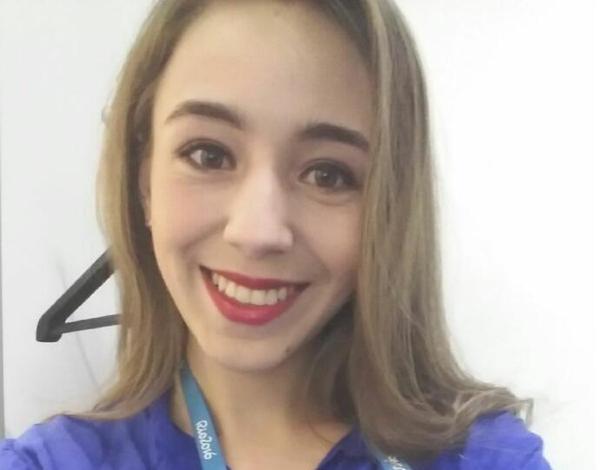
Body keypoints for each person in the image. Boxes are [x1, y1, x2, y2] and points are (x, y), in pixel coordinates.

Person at [0, 0, 553, 468]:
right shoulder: (52, 462)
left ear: (388, 208)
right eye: (208, 154)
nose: (256, 232)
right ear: (145, 184)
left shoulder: (485, 458)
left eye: (328, 174)